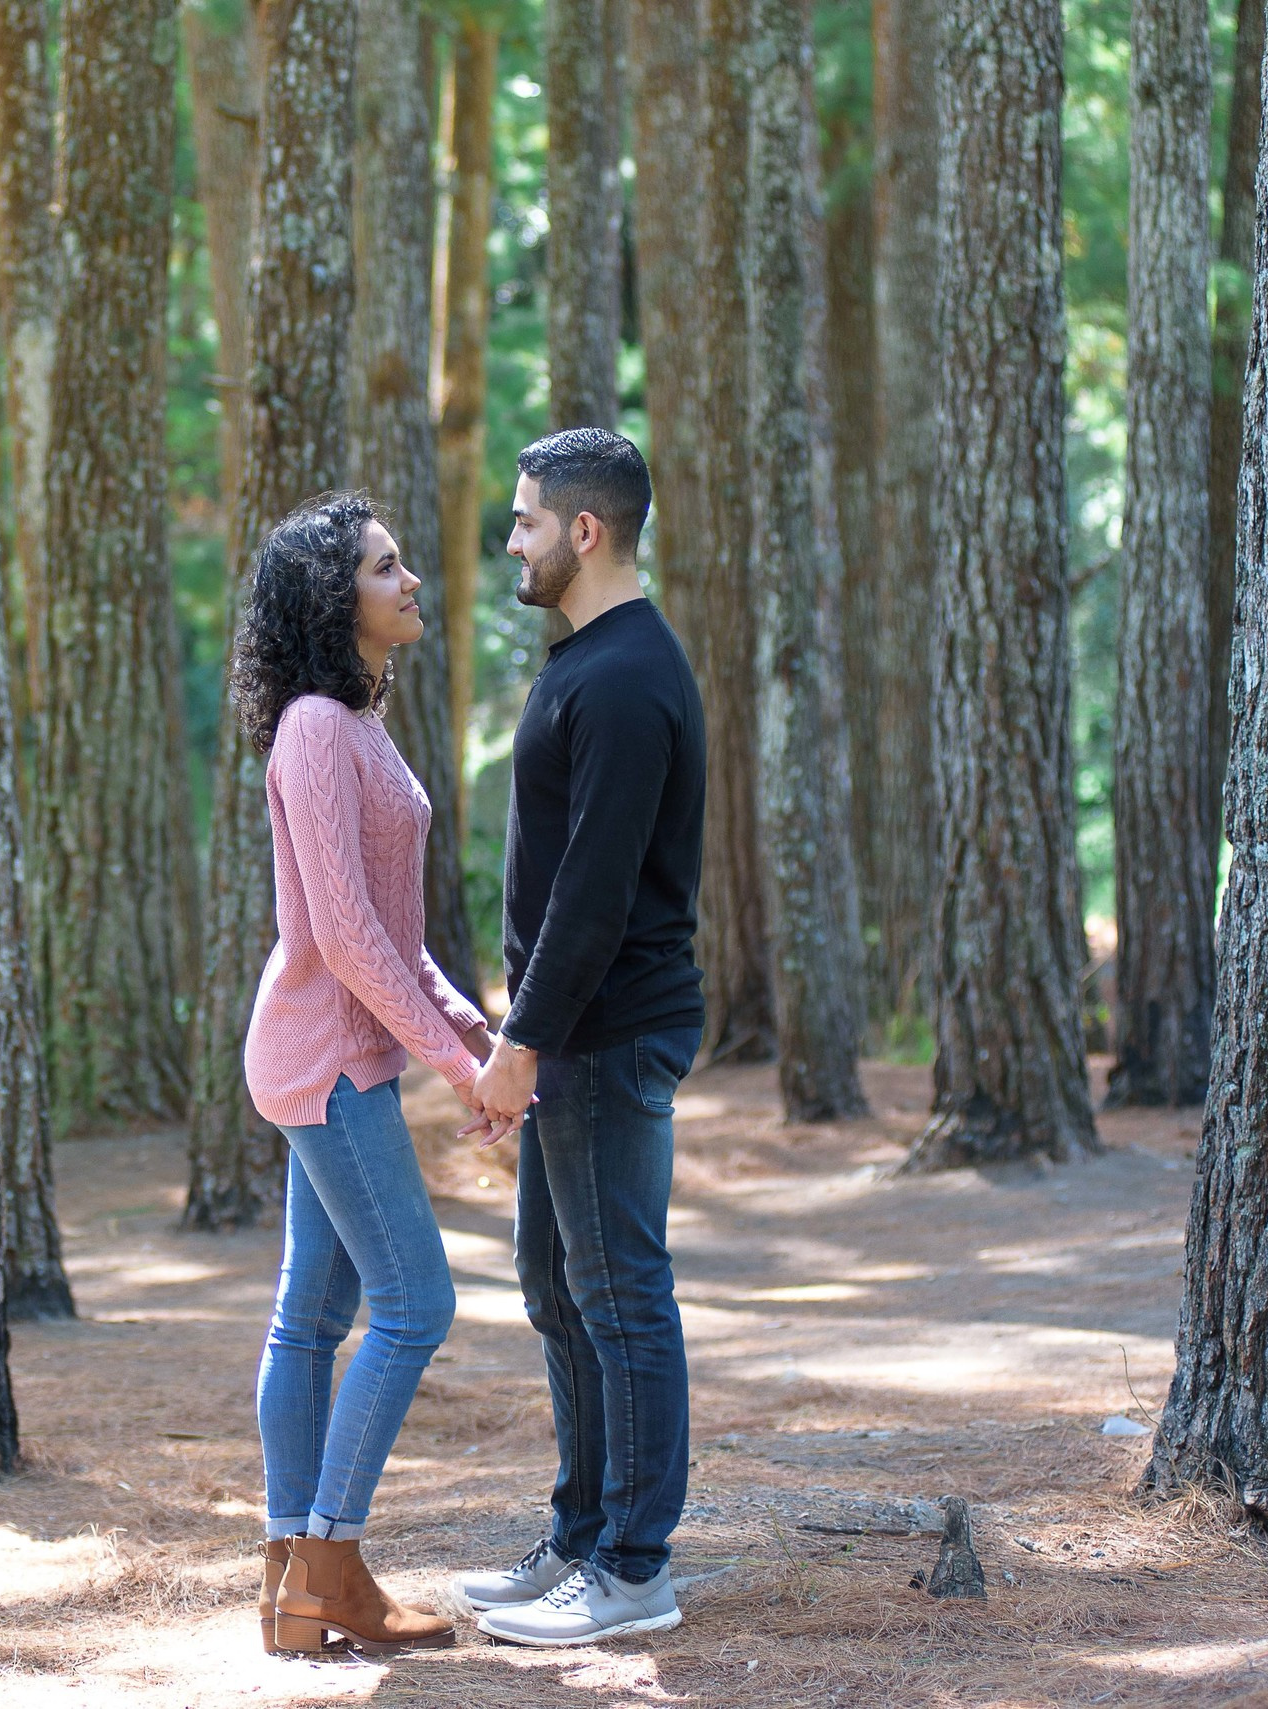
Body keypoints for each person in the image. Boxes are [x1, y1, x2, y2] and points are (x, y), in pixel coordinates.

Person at [455, 428, 707, 1647]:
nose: (513, 538)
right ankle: (580, 1534)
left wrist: (523, 1042)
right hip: (574, 1036)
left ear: (584, 530)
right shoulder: (590, 660)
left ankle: (634, 1567)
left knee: (617, 1294)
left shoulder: (622, 675)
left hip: (608, 1035)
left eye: (524, 521)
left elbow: (595, 895)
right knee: (557, 1283)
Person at [234, 492, 493, 1656]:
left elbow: (393, 927)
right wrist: (449, 1063)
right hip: (328, 1060)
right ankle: (330, 1562)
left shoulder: (351, 721)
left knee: (313, 1317)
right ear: (336, 598)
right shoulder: (314, 730)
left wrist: (466, 1030)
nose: (411, 582)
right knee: (415, 1303)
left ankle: (293, 1576)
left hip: (344, 1051)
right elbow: (341, 938)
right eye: (387, 568)